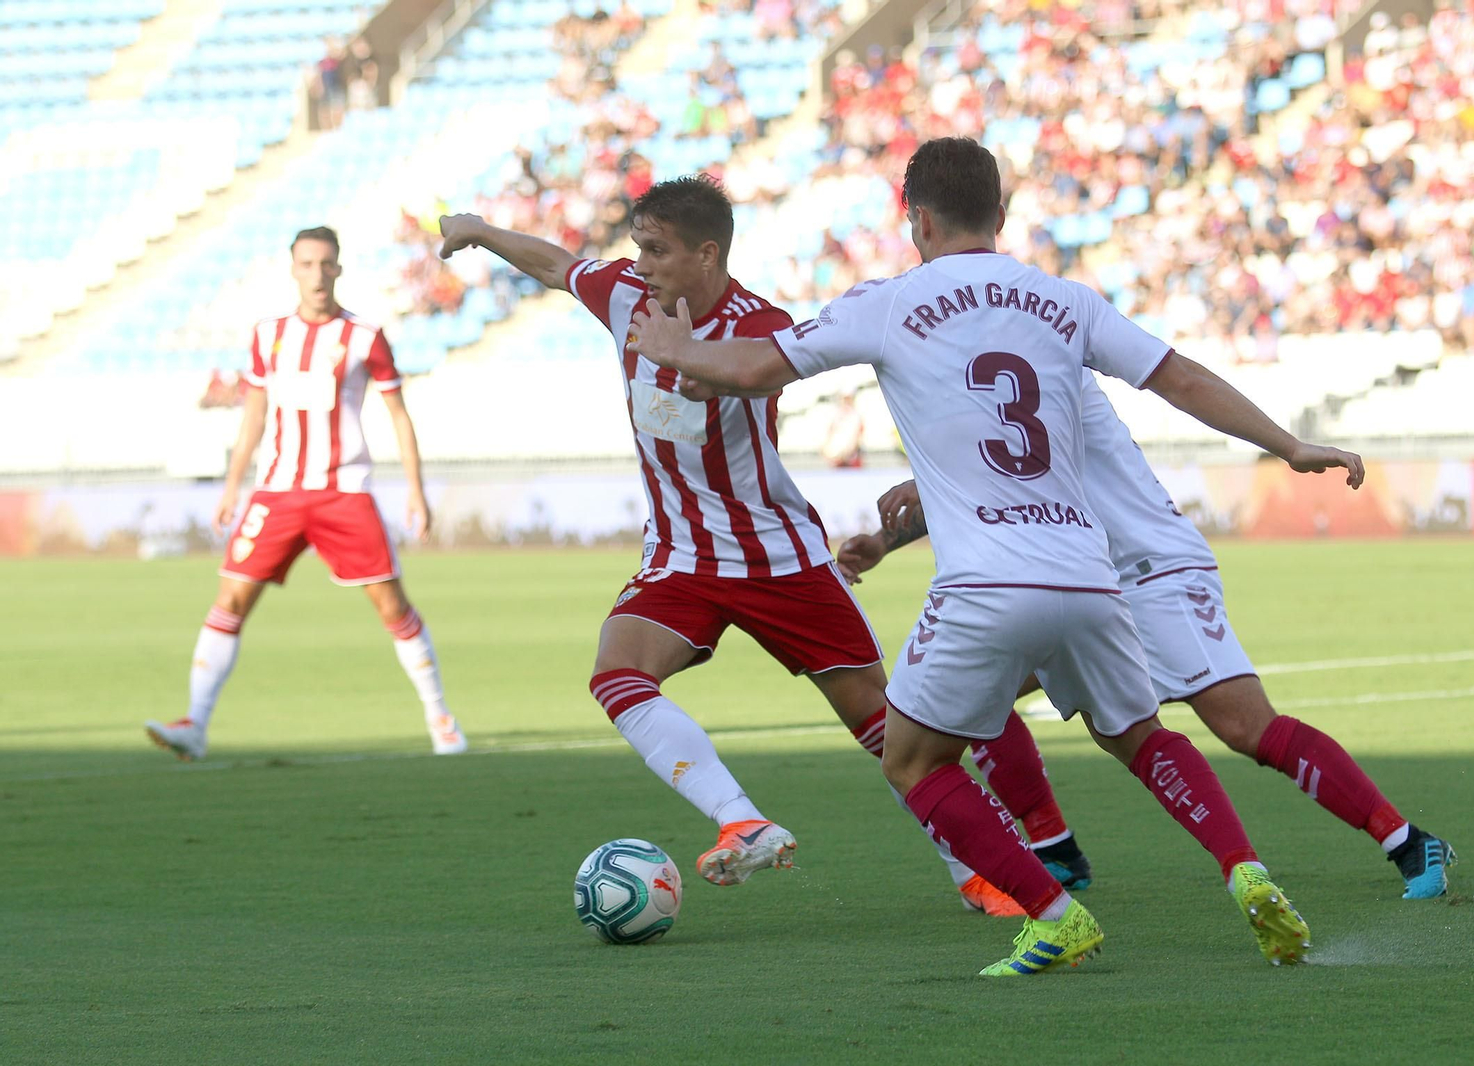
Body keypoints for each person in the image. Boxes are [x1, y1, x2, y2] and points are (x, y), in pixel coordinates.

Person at [628, 138, 1366, 975]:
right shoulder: (1064, 301)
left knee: (911, 757)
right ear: (1001, 216)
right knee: (1142, 737)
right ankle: (1246, 870)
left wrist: (671, 348)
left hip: (986, 581)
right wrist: (1288, 444)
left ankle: (1053, 913)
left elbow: (760, 365)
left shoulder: (889, 302)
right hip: (1091, 575)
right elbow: (1181, 378)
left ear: (919, 219)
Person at [437, 178, 1086, 903]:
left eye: (657, 250)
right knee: (617, 673)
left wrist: (692, 367)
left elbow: (738, 383)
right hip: (681, 555)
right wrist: (482, 230)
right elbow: (559, 266)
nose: (641, 264)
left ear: (707, 254)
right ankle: (741, 820)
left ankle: (983, 871)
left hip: (778, 557)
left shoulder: (759, 323)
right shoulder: (624, 292)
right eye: (638, 248)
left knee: (887, 729)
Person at [837, 367, 1457, 900]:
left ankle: (1409, 842)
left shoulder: (1044, 352)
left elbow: (1024, 454)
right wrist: (890, 541)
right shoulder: (992, 361)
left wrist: (919, 498)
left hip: (1149, 566)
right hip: (1072, 577)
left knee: (1244, 725)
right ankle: (1055, 846)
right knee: (976, 697)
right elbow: (1001, 480)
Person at [146, 227, 466, 760]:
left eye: (327, 264)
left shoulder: (365, 336)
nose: (318, 274)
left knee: (392, 605)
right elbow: (253, 414)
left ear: (339, 269)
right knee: (229, 599)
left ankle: (442, 721)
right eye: (308, 264)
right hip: (277, 492)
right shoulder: (267, 334)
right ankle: (194, 725)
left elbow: (398, 415)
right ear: (293, 269)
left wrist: (416, 490)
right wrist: (233, 486)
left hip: (344, 491)